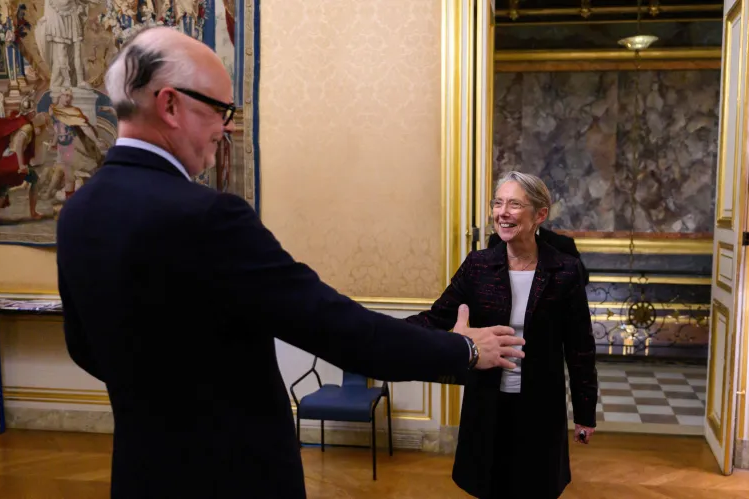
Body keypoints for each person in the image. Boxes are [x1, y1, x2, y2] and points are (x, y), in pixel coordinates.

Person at [55, 27, 525, 499]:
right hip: (236, 476)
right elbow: (336, 328)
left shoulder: (77, 213)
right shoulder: (207, 216)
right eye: (220, 110)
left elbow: (83, 348)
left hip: (141, 473)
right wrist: (462, 350)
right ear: (171, 104)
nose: (227, 128)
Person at [406, 171, 598, 499]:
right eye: (498, 203)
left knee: (535, 486)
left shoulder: (565, 270)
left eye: (514, 204)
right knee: (488, 484)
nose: (502, 212)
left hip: (540, 405)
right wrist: (386, 331)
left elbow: (580, 348)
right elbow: (437, 317)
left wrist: (584, 413)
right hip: (487, 400)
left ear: (540, 214)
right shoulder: (478, 265)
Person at [487, 221, 590, 286]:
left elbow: (581, 280)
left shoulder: (562, 244)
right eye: (498, 203)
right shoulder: (496, 241)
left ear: (539, 214)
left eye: (516, 205)